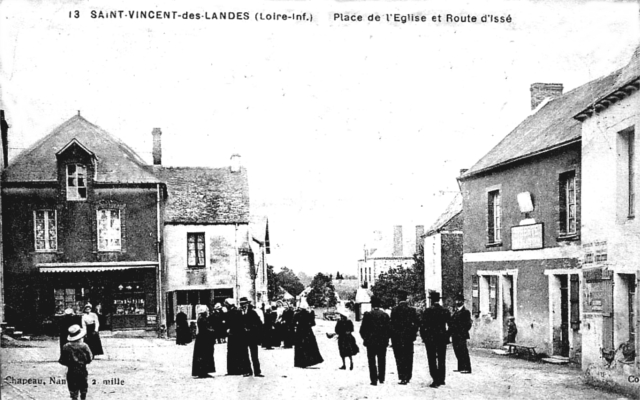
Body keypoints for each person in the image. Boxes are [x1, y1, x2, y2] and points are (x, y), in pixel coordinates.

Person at [420, 291, 451, 388]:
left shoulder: (428, 311)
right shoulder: (445, 311)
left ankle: (435, 379)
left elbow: (422, 326)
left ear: (431, 300)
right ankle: (441, 379)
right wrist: (447, 335)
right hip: (442, 338)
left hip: (430, 338)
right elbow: (451, 325)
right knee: (442, 358)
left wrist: (424, 337)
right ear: (438, 300)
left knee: (432, 359)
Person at [390, 289, 419, 385]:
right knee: (408, 356)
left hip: (397, 337)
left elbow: (392, 324)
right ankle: (408, 376)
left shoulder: (394, 310)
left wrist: (392, 336)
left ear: (398, 298)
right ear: (406, 298)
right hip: (408, 337)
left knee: (399, 357)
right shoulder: (412, 310)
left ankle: (402, 376)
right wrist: (413, 334)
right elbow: (416, 324)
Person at [359, 296, 390, 386]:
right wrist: (386, 338)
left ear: (372, 304)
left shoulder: (368, 315)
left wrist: (365, 338)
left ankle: (373, 380)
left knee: (371, 361)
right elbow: (389, 329)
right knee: (382, 359)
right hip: (382, 342)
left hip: (371, 342)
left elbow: (362, 330)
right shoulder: (385, 315)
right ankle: (381, 378)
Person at [59, 325, 93, 400]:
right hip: (82, 369)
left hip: (71, 370)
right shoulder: (84, 346)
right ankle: (83, 398)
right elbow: (90, 358)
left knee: (72, 387)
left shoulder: (66, 346)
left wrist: (69, 363)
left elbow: (62, 360)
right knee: (83, 385)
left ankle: (74, 398)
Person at [240, 297, 264, 377]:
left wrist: (252, 329)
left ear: (247, 304)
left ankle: (257, 371)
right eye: (241, 304)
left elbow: (259, 323)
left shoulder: (253, 313)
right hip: (243, 336)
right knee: (244, 355)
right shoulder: (239, 313)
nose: (243, 306)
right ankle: (247, 371)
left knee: (254, 354)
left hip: (252, 336)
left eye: (244, 304)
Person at [294, 302, 324, 368]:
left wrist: (298, 325)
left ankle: (299, 362)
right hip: (308, 331)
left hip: (299, 331)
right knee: (309, 346)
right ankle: (309, 361)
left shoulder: (297, 314)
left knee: (300, 346)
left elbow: (293, 322)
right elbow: (313, 323)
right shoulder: (309, 314)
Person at [449, 294, 473, 374]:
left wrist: (462, 331)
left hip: (461, 334)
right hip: (455, 334)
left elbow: (468, 324)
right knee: (457, 350)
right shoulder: (455, 312)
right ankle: (460, 367)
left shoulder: (466, 312)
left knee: (463, 351)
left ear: (463, 302)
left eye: (459, 300)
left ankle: (467, 368)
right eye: (457, 300)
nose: (458, 302)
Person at [192, 310, 215, 378]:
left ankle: (203, 371)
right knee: (204, 355)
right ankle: (203, 372)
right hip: (203, 339)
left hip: (202, 339)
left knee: (203, 355)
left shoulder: (201, 319)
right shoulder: (203, 319)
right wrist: (212, 331)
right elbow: (204, 329)